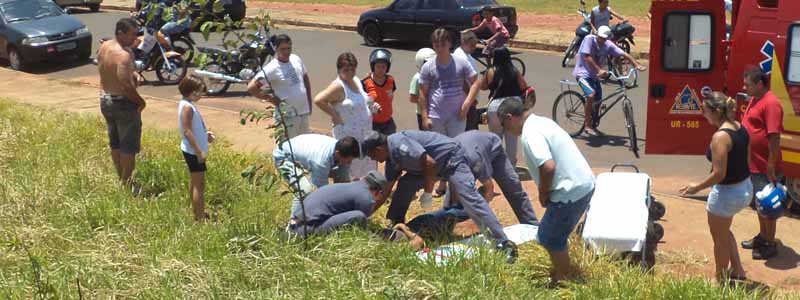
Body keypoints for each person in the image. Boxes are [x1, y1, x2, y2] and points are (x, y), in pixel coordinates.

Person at [361, 130, 519, 263]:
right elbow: (387, 190)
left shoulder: (401, 144)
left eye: (371, 155)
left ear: (379, 148)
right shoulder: (391, 159)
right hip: (432, 168)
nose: (373, 159)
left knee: (470, 199)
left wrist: (428, 193)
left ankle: (503, 243)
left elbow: (429, 163)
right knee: (405, 184)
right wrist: (366, 214)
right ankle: (395, 224)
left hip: (452, 160)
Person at [497, 98, 595, 284]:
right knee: (551, 233)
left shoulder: (529, 134)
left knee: (550, 238)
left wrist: (543, 192)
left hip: (570, 192)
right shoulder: (541, 121)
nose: (506, 130)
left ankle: (564, 280)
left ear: (510, 118)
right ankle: (563, 271)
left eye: (504, 125)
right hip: (584, 183)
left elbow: (548, 167)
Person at [680, 92, 751, 284]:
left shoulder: (720, 137)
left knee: (719, 239)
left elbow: (719, 173)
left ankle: (720, 281)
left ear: (715, 111)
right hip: (744, 188)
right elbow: (748, 159)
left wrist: (697, 187)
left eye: (704, 109)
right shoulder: (740, 128)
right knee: (724, 230)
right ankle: (738, 269)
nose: (703, 113)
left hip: (727, 194)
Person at [740, 66, 784, 260]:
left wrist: (771, 165)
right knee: (759, 205)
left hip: (764, 166)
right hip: (753, 165)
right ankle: (762, 236)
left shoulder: (771, 103)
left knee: (768, 207)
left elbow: (774, 137)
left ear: (760, 84)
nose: (745, 87)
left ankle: (770, 243)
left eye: (748, 84)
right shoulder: (755, 99)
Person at [573, 25, 647, 137]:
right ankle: (587, 126)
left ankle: (594, 125)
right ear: (597, 34)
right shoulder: (589, 39)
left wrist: (637, 65)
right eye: (600, 37)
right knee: (591, 95)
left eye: (604, 38)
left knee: (598, 101)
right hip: (582, 73)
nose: (601, 39)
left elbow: (624, 54)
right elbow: (587, 56)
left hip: (594, 76)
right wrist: (599, 69)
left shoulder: (608, 45)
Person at [97, 18, 146, 186]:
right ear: (121, 33)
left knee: (115, 142)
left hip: (105, 99)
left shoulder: (104, 47)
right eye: (132, 34)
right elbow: (125, 85)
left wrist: (134, 74)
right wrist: (140, 102)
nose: (135, 38)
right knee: (128, 146)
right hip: (122, 102)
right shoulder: (123, 56)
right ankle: (128, 183)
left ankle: (121, 178)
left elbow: (108, 70)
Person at [315, 52, 378, 178]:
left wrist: (372, 107)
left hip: (363, 135)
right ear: (339, 70)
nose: (350, 72)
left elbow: (363, 100)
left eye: (352, 69)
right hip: (348, 136)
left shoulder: (355, 80)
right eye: (346, 70)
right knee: (349, 170)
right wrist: (335, 116)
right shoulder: (338, 86)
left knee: (365, 169)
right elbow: (319, 100)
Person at [464, 47, 528, 166]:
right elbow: (524, 85)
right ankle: (511, 168)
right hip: (514, 106)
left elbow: (483, 87)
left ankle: (496, 168)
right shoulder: (514, 70)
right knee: (512, 139)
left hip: (496, 107)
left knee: (495, 139)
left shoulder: (491, 71)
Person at [272, 134, 360, 216]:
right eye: (348, 161)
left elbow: (343, 182)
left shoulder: (342, 149)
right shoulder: (321, 162)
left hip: (304, 150)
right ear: (337, 153)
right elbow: (322, 193)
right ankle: (293, 224)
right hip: (284, 157)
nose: (350, 163)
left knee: (343, 178)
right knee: (305, 190)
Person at [248, 34, 313, 139]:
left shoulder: (296, 59)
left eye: (289, 48)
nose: (286, 52)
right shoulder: (272, 68)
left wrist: (309, 102)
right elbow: (252, 87)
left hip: (303, 112)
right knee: (288, 148)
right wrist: (270, 99)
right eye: (283, 49)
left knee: (304, 146)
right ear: (275, 49)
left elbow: (305, 79)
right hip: (287, 116)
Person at [287, 171, 388, 237]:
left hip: (294, 223)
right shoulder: (367, 198)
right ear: (378, 192)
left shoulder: (352, 185)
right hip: (305, 230)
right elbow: (362, 223)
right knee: (359, 216)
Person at [176, 75, 215, 221]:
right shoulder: (187, 107)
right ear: (187, 91)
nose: (199, 95)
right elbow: (187, 131)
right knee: (199, 185)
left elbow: (194, 128)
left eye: (200, 91)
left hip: (192, 149)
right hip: (193, 151)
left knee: (195, 181)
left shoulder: (187, 103)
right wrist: (198, 151)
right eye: (196, 92)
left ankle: (196, 211)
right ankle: (200, 217)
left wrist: (205, 135)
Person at [362, 48, 398, 136]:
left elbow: (390, 96)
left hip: (388, 122)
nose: (381, 69)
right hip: (372, 123)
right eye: (378, 66)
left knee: (390, 145)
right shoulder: (366, 82)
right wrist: (373, 108)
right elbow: (363, 102)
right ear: (373, 66)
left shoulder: (390, 80)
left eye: (383, 67)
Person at [452, 31, 482, 131]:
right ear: (463, 43)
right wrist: (471, 98)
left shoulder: (465, 54)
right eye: (471, 45)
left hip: (468, 99)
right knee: (470, 129)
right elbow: (462, 81)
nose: (474, 48)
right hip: (465, 100)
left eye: (475, 45)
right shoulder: (461, 56)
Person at [410, 48, 436, 130]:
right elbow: (412, 98)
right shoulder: (417, 78)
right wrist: (424, 101)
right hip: (422, 113)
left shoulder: (434, 75)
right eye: (427, 63)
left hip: (434, 112)